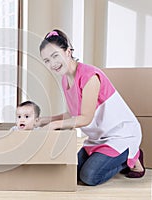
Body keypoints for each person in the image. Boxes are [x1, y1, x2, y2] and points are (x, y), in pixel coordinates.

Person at [38, 29, 145, 186]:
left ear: (68, 51)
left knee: (89, 177)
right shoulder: (65, 80)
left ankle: (132, 155)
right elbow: (73, 113)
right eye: (46, 60)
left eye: (55, 55)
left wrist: (54, 125)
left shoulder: (89, 76)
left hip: (120, 135)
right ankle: (118, 157)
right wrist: (45, 120)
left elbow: (85, 118)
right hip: (98, 138)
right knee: (71, 174)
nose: (52, 63)